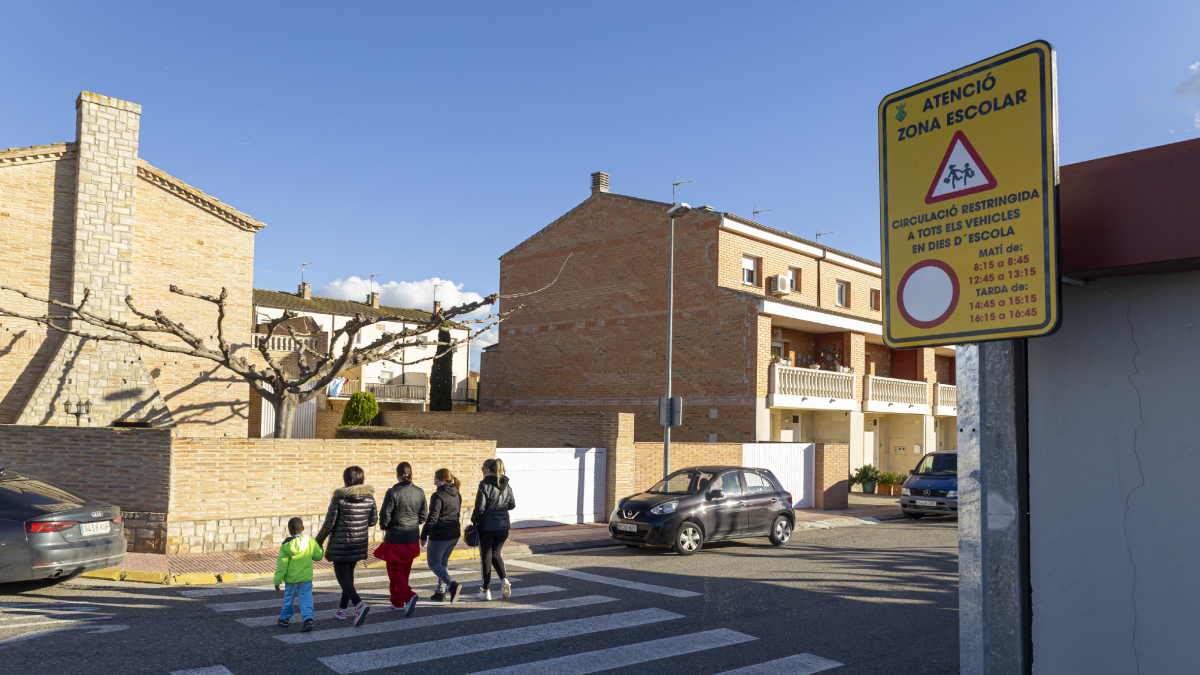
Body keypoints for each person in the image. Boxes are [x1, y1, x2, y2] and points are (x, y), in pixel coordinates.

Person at [315, 465, 377, 627]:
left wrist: (318, 541)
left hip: (340, 545)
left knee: (343, 578)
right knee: (348, 577)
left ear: (345, 480)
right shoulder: (370, 498)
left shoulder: (339, 498)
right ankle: (342, 609)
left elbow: (329, 524)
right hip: (358, 544)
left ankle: (359, 604)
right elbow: (372, 521)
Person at [376, 461, 427, 616]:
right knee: (404, 571)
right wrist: (413, 524)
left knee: (394, 571)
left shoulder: (392, 492)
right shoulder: (420, 491)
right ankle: (397, 602)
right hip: (412, 537)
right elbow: (423, 515)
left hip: (395, 537)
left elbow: (385, 515)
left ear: (397, 474)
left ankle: (409, 595)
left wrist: (384, 527)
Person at [471, 458, 515, 601]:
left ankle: (486, 590)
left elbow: (480, 508)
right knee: (496, 553)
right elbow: (512, 505)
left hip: (487, 526)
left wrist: (474, 520)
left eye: (483, 467)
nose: (481, 469)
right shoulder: (507, 485)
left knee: (486, 557)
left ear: (488, 470)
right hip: (503, 526)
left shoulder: (484, 485)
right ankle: (504, 580)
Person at [274, 516, 324, 632]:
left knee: (288, 598)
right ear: (303, 528)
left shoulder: (286, 546)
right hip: (306, 578)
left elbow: (282, 565)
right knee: (306, 598)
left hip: (291, 580)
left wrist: (277, 581)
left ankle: (284, 618)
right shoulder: (310, 541)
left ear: (289, 531)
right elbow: (318, 557)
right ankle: (308, 620)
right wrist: (320, 548)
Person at [421, 468, 463, 603]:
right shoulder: (457, 494)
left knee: (433, 563)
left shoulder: (438, 495)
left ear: (442, 480)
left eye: (436, 478)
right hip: (454, 534)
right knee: (443, 563)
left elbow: (433, 517)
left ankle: (452, 585)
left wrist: (424, 535)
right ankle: (441, 592)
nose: (434, 480)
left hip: (440, 535)